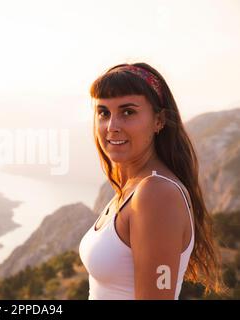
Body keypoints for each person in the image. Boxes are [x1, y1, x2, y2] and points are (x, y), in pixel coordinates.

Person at [78, 62, 225, 299]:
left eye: (128, 112)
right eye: (104, 112)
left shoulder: (157, 194)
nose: (112, 127)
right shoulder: (132, 188)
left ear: (159, 120)